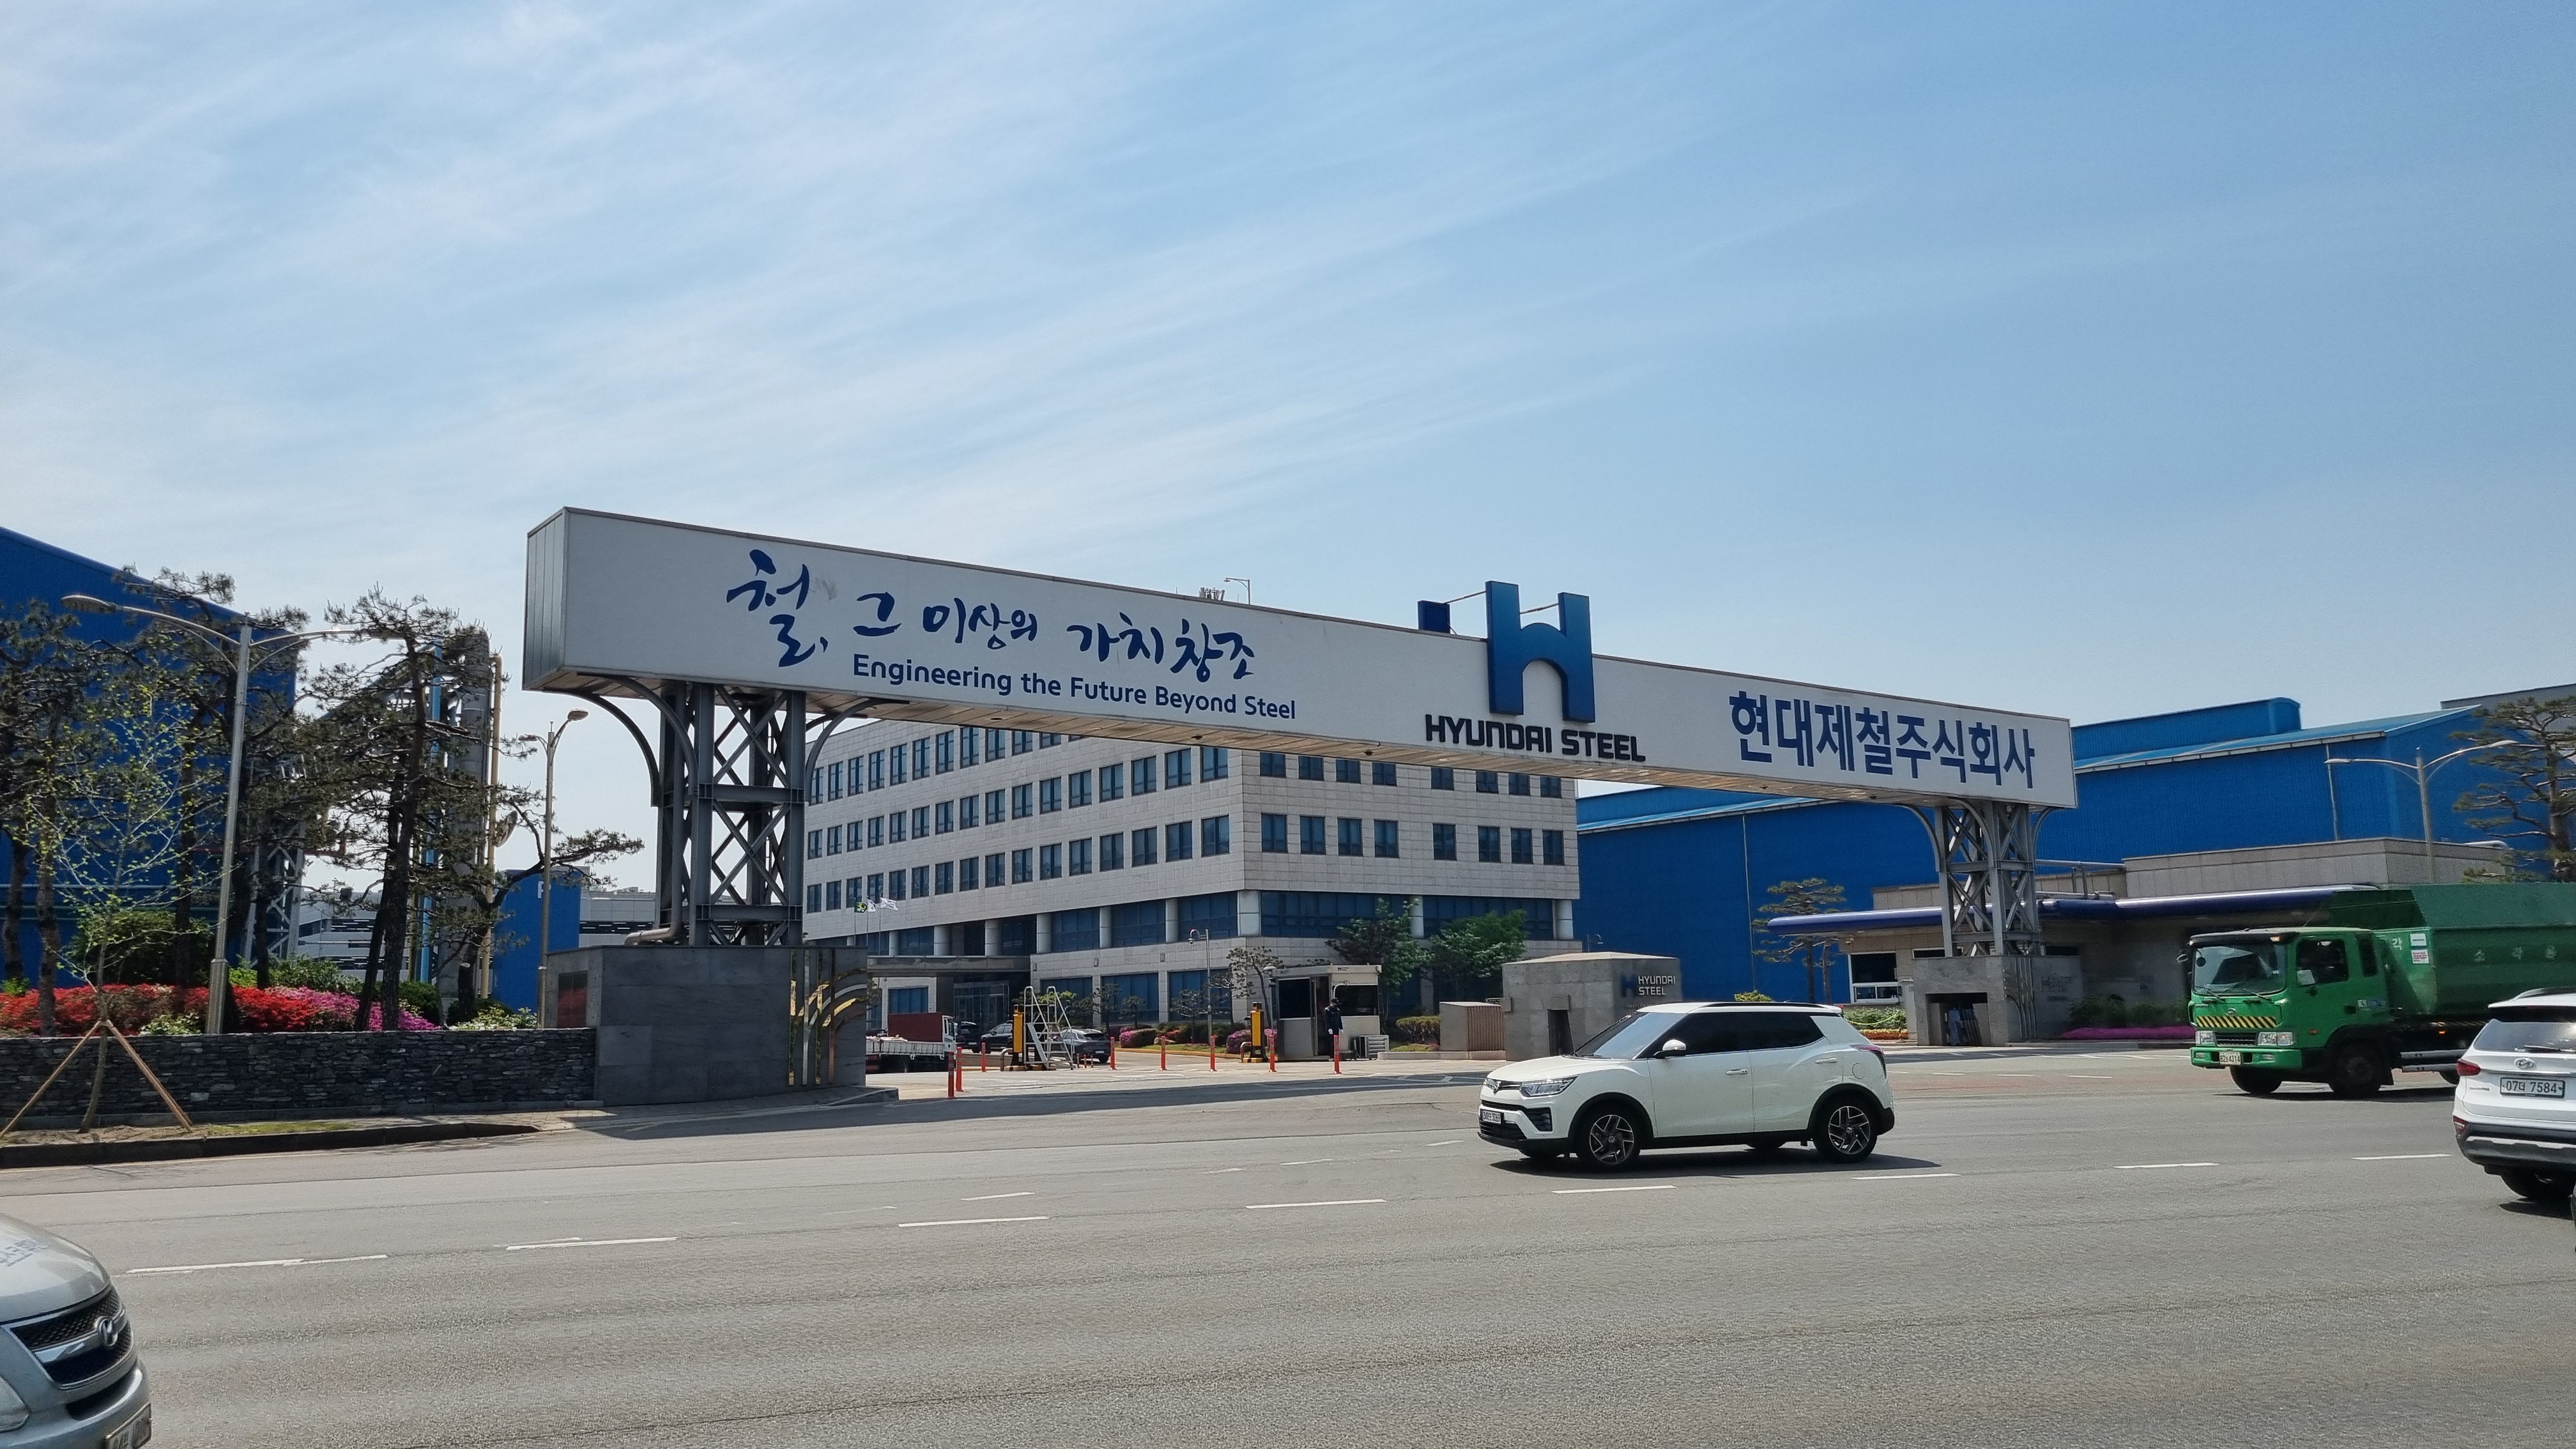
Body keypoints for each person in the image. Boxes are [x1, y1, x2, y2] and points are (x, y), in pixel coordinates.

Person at [1321, 993, 1345, 1060]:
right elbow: (1326, 1020)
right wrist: (1329, 1028)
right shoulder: (1327, 1010)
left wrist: (1341, 1028)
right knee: (1331, 1043)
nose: (1336, 1005)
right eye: (1335, 1003)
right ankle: (1331, 1056)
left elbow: (1339, 1019)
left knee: (1336, 1043)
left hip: (1336, 1028)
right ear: (1332, 1003)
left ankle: (1336, 1056)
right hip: (1330, 1029)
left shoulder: (1337, 1010)